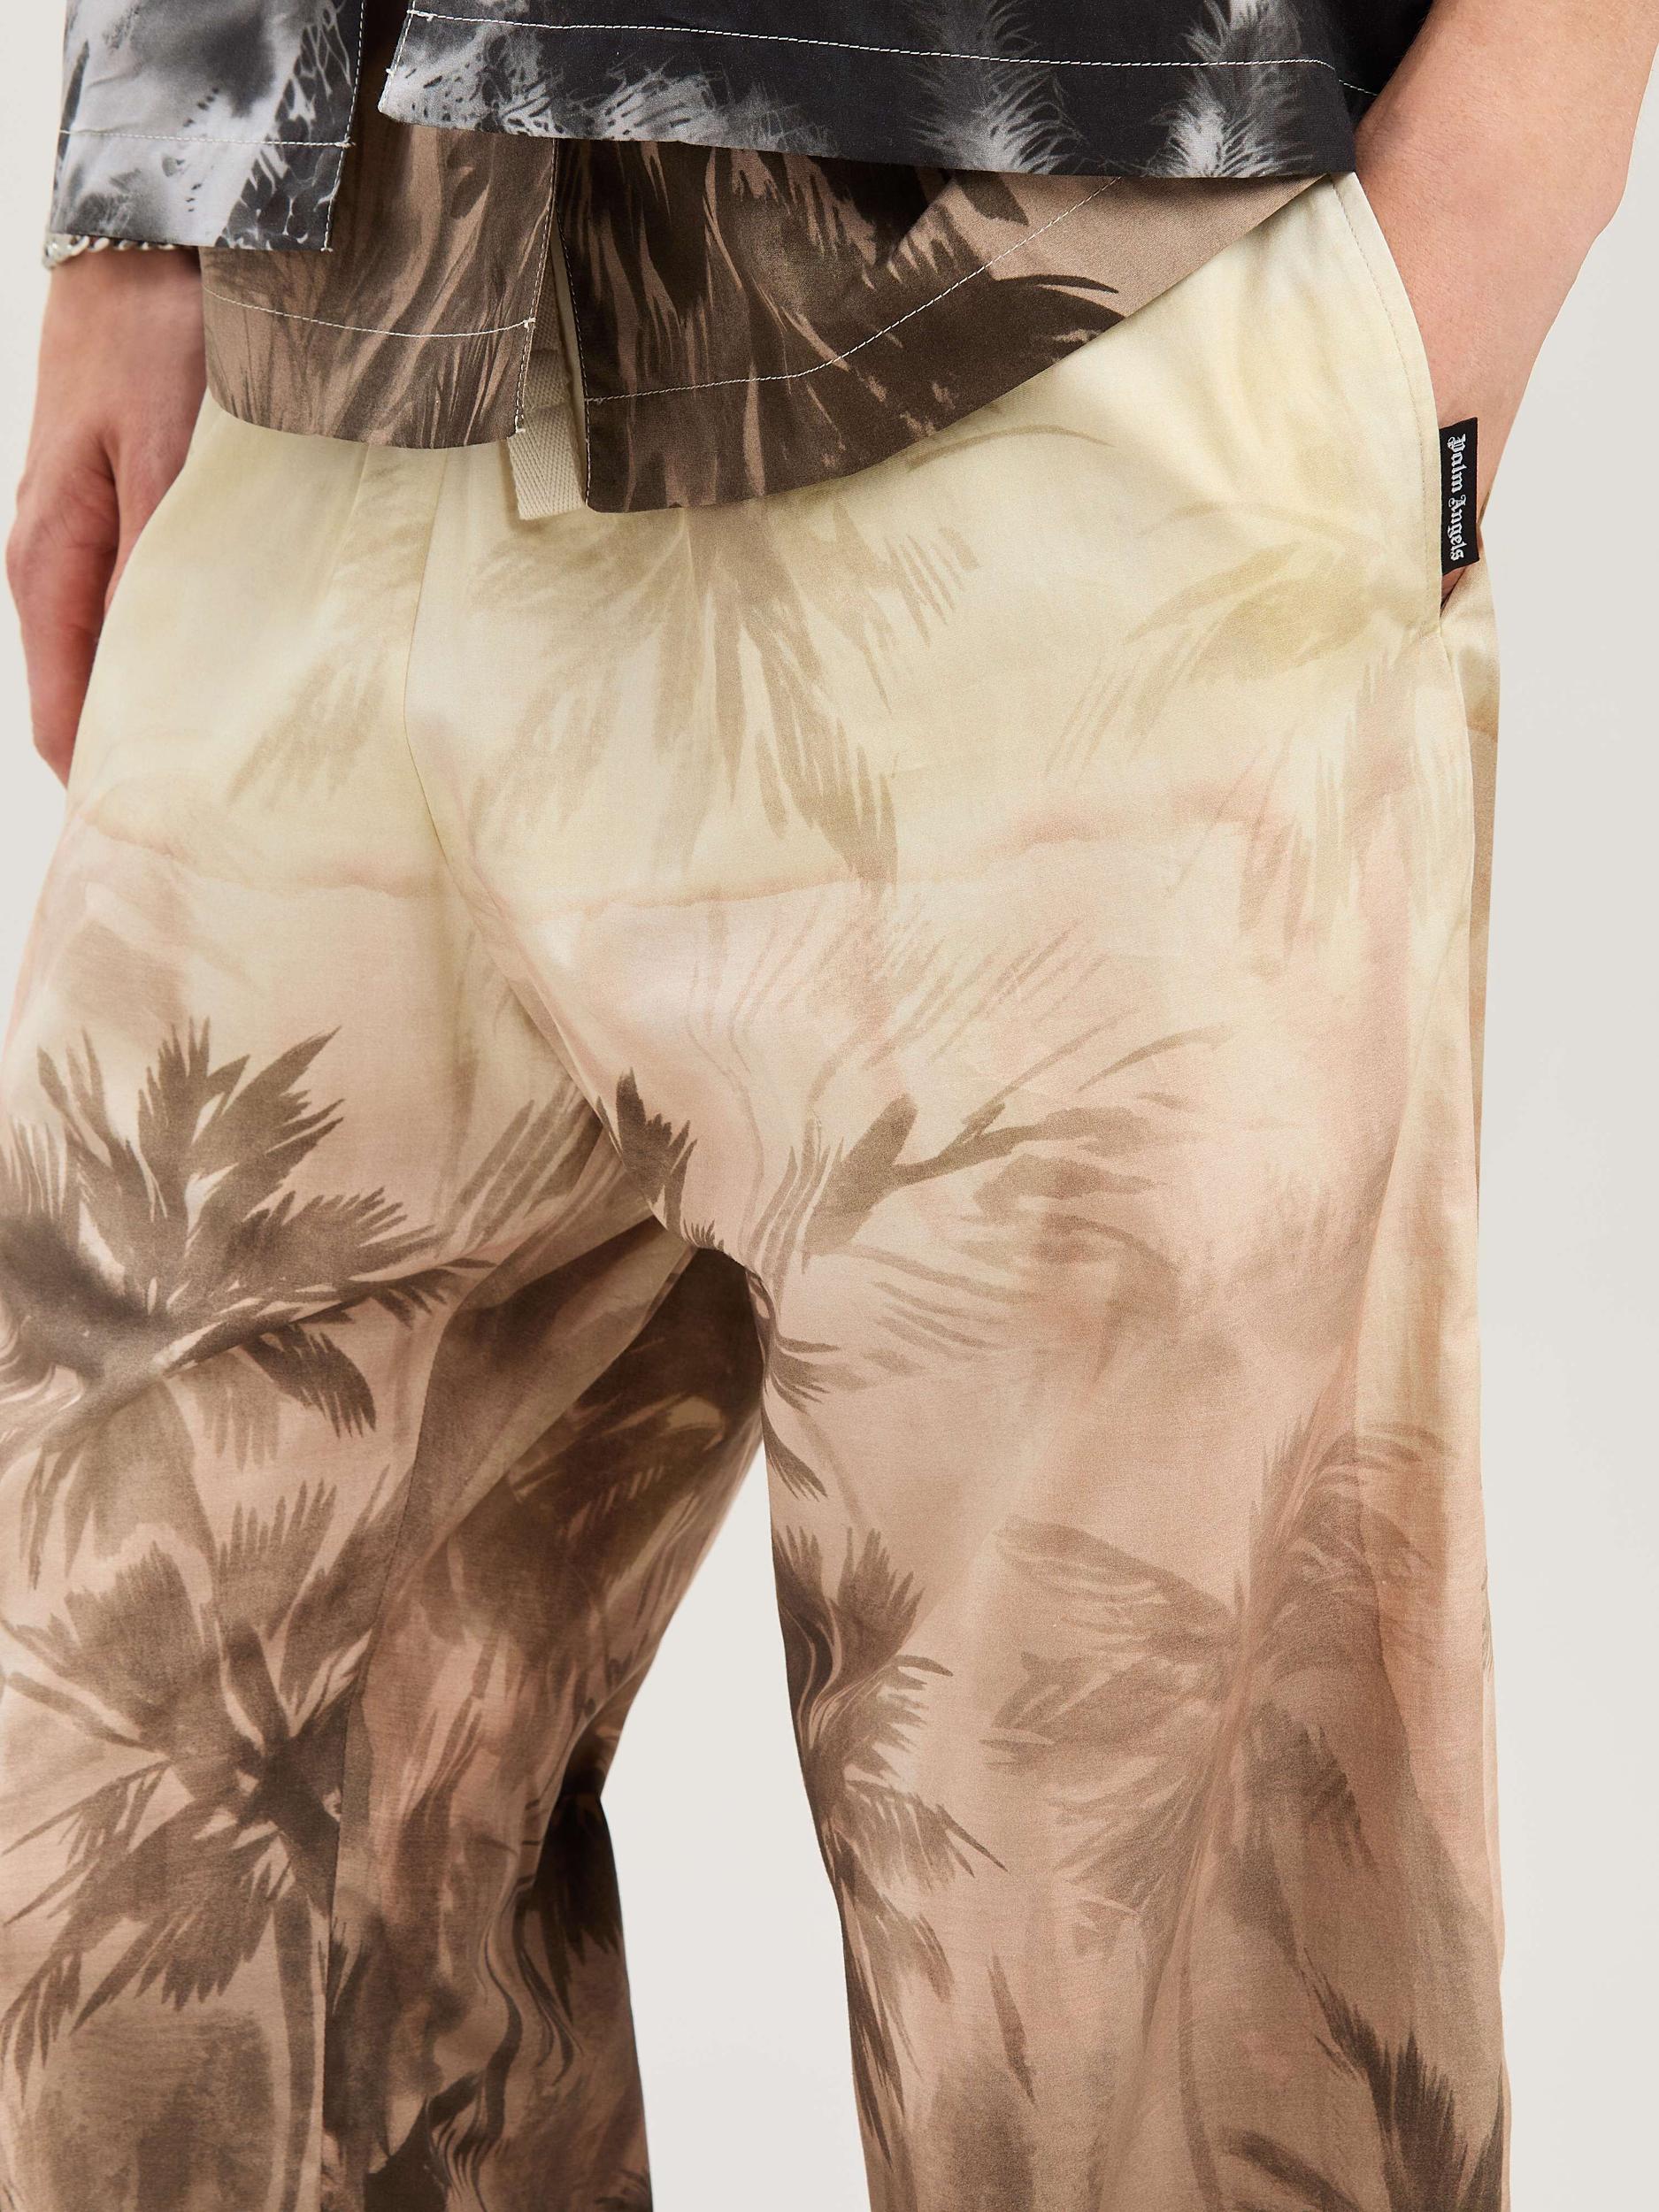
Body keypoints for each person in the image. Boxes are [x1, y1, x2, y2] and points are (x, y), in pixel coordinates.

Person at [1, 3, 1652, 2206]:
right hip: (335, 329)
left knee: (1134, 2027)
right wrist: (145, 183)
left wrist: (1508, 157)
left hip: (1074, 311)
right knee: (149, 1907)